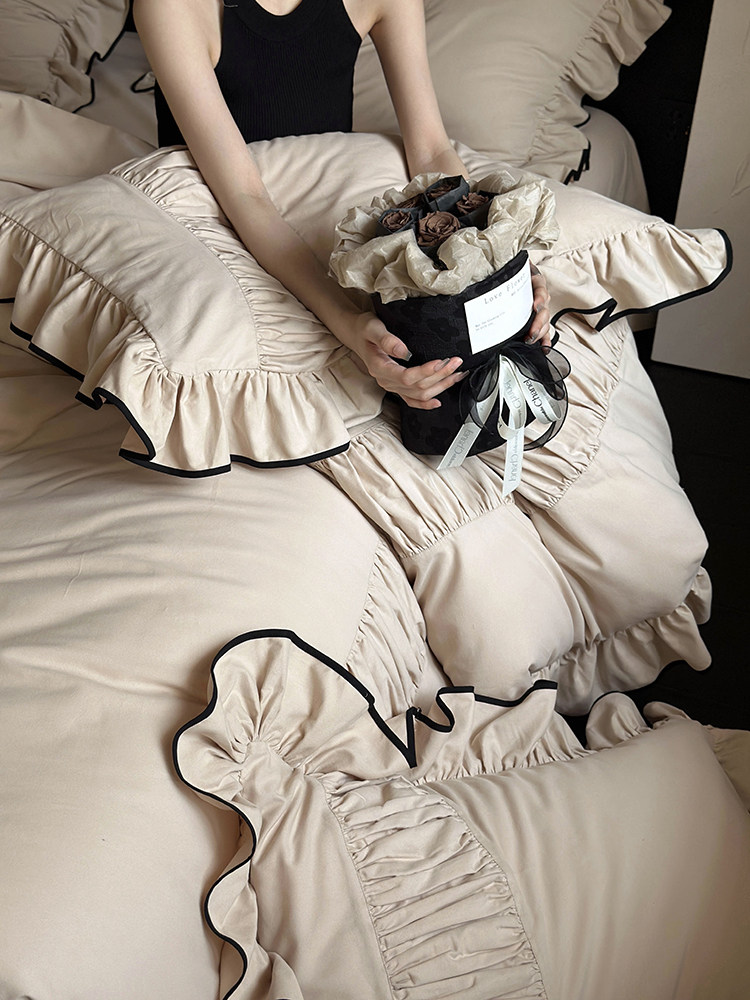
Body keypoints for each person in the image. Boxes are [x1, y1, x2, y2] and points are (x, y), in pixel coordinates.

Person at [134, 0, 552, 411]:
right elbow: (246, 196)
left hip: (327, 200)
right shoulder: (172, 8)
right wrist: (349, 324)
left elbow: (430, 150)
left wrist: (497, 264)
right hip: (217, 208)